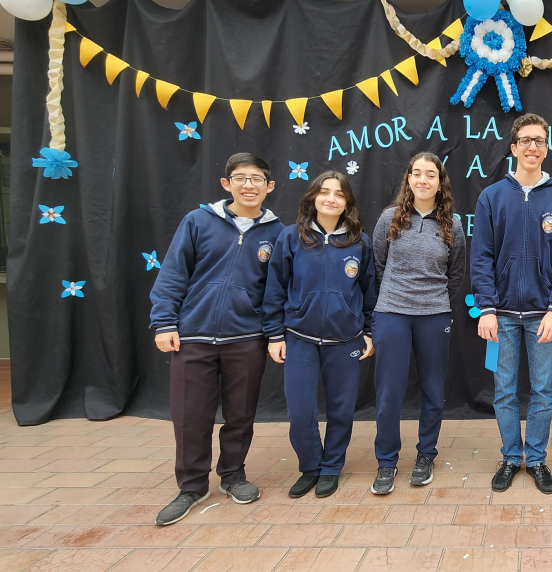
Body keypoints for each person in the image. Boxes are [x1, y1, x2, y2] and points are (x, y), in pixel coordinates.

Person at [149, 153, 285, 526]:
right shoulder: (198, 222)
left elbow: (275, 291)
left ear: (269, 187)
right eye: (240, 178)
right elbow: (173, 273)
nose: (249, 185)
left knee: (240, 413)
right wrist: (164, 323)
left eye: (257, 179)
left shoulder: (278, 233)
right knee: (190, 415)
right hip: (192, 336)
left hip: (247, 338)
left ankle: (233, 476)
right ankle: (192, 486)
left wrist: (273, 333)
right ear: (226, 184)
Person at [471, 113, 552, 495]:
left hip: (542, 315)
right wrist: (486, 307)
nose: (533, 146)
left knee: (542, 390)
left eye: (540, 140)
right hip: (499, 314)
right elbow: (481, 255)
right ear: (514, 148)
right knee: (503, 390)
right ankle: (510, 457)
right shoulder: (492, 196)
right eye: (525, 140)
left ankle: (535, 459)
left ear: (546, 148)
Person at [263, 170, 377, 499]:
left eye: (339, 194)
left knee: (341, 410)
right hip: (299, 337)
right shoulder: (290, 237)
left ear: (347, 203)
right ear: (313, 197)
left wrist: (369, 331)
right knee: (301, 411)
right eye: (324, 192)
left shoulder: (360, 241)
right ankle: (311, 466)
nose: (331, 198)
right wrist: (274, 335)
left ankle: (331, 468)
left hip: (345, 341)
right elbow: (275, 289)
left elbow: (370, 293)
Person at [369, 152, 467, 495]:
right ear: (408, 179)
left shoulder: (452, 225)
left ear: (440, 183)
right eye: (417, 174)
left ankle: (426, 455)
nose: (423, 180)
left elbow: (455, 274)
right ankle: (386, 462)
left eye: (431, 175)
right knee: (389, 393)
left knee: (433, 391)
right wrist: (396, 298)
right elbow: (378, 267)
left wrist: (434, 301)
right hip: (391, 313)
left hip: (434, 315)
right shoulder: (388, 219)